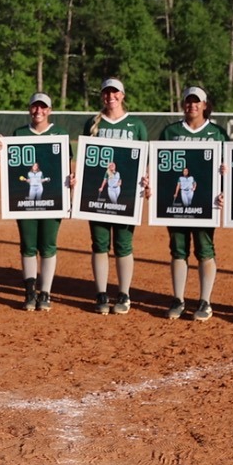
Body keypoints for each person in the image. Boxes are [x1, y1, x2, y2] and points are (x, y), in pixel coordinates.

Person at [159, 85, 228, 322]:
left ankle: (205, 300)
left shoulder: (217, 133)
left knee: (204, 249)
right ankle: (178, 298)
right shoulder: (170, 132)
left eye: (197, 101)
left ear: (205, 105)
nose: (192, 105)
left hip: (204, 204)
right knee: (178, 249)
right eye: (188, 101)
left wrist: (223, 183)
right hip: (175, 205)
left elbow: (228, 170)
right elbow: (160, 168)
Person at [82, 78, 149, 315]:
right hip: (97, 196)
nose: (110, 96)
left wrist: (147, 181)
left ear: (122, 95)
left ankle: (123, 293)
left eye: (115, 92)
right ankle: (101, 293)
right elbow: (85, 162)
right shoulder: (92, 123)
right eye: (106, 92)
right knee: (100, 244)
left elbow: (145, 161)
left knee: (123, 244)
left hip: (126, 195)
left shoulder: (136, 125)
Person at [12, 92, 67, 311]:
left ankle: (45, 292)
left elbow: (64, 167)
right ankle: (29, 290)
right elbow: (12, 168)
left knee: (48, 246)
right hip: (25, 201)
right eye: (35, 107)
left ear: (49, 110)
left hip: (52, 199)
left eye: (43, 107)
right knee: (28, 245)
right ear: (29, 109)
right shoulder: (19, 133)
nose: (38, 111)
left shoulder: (60, 134)